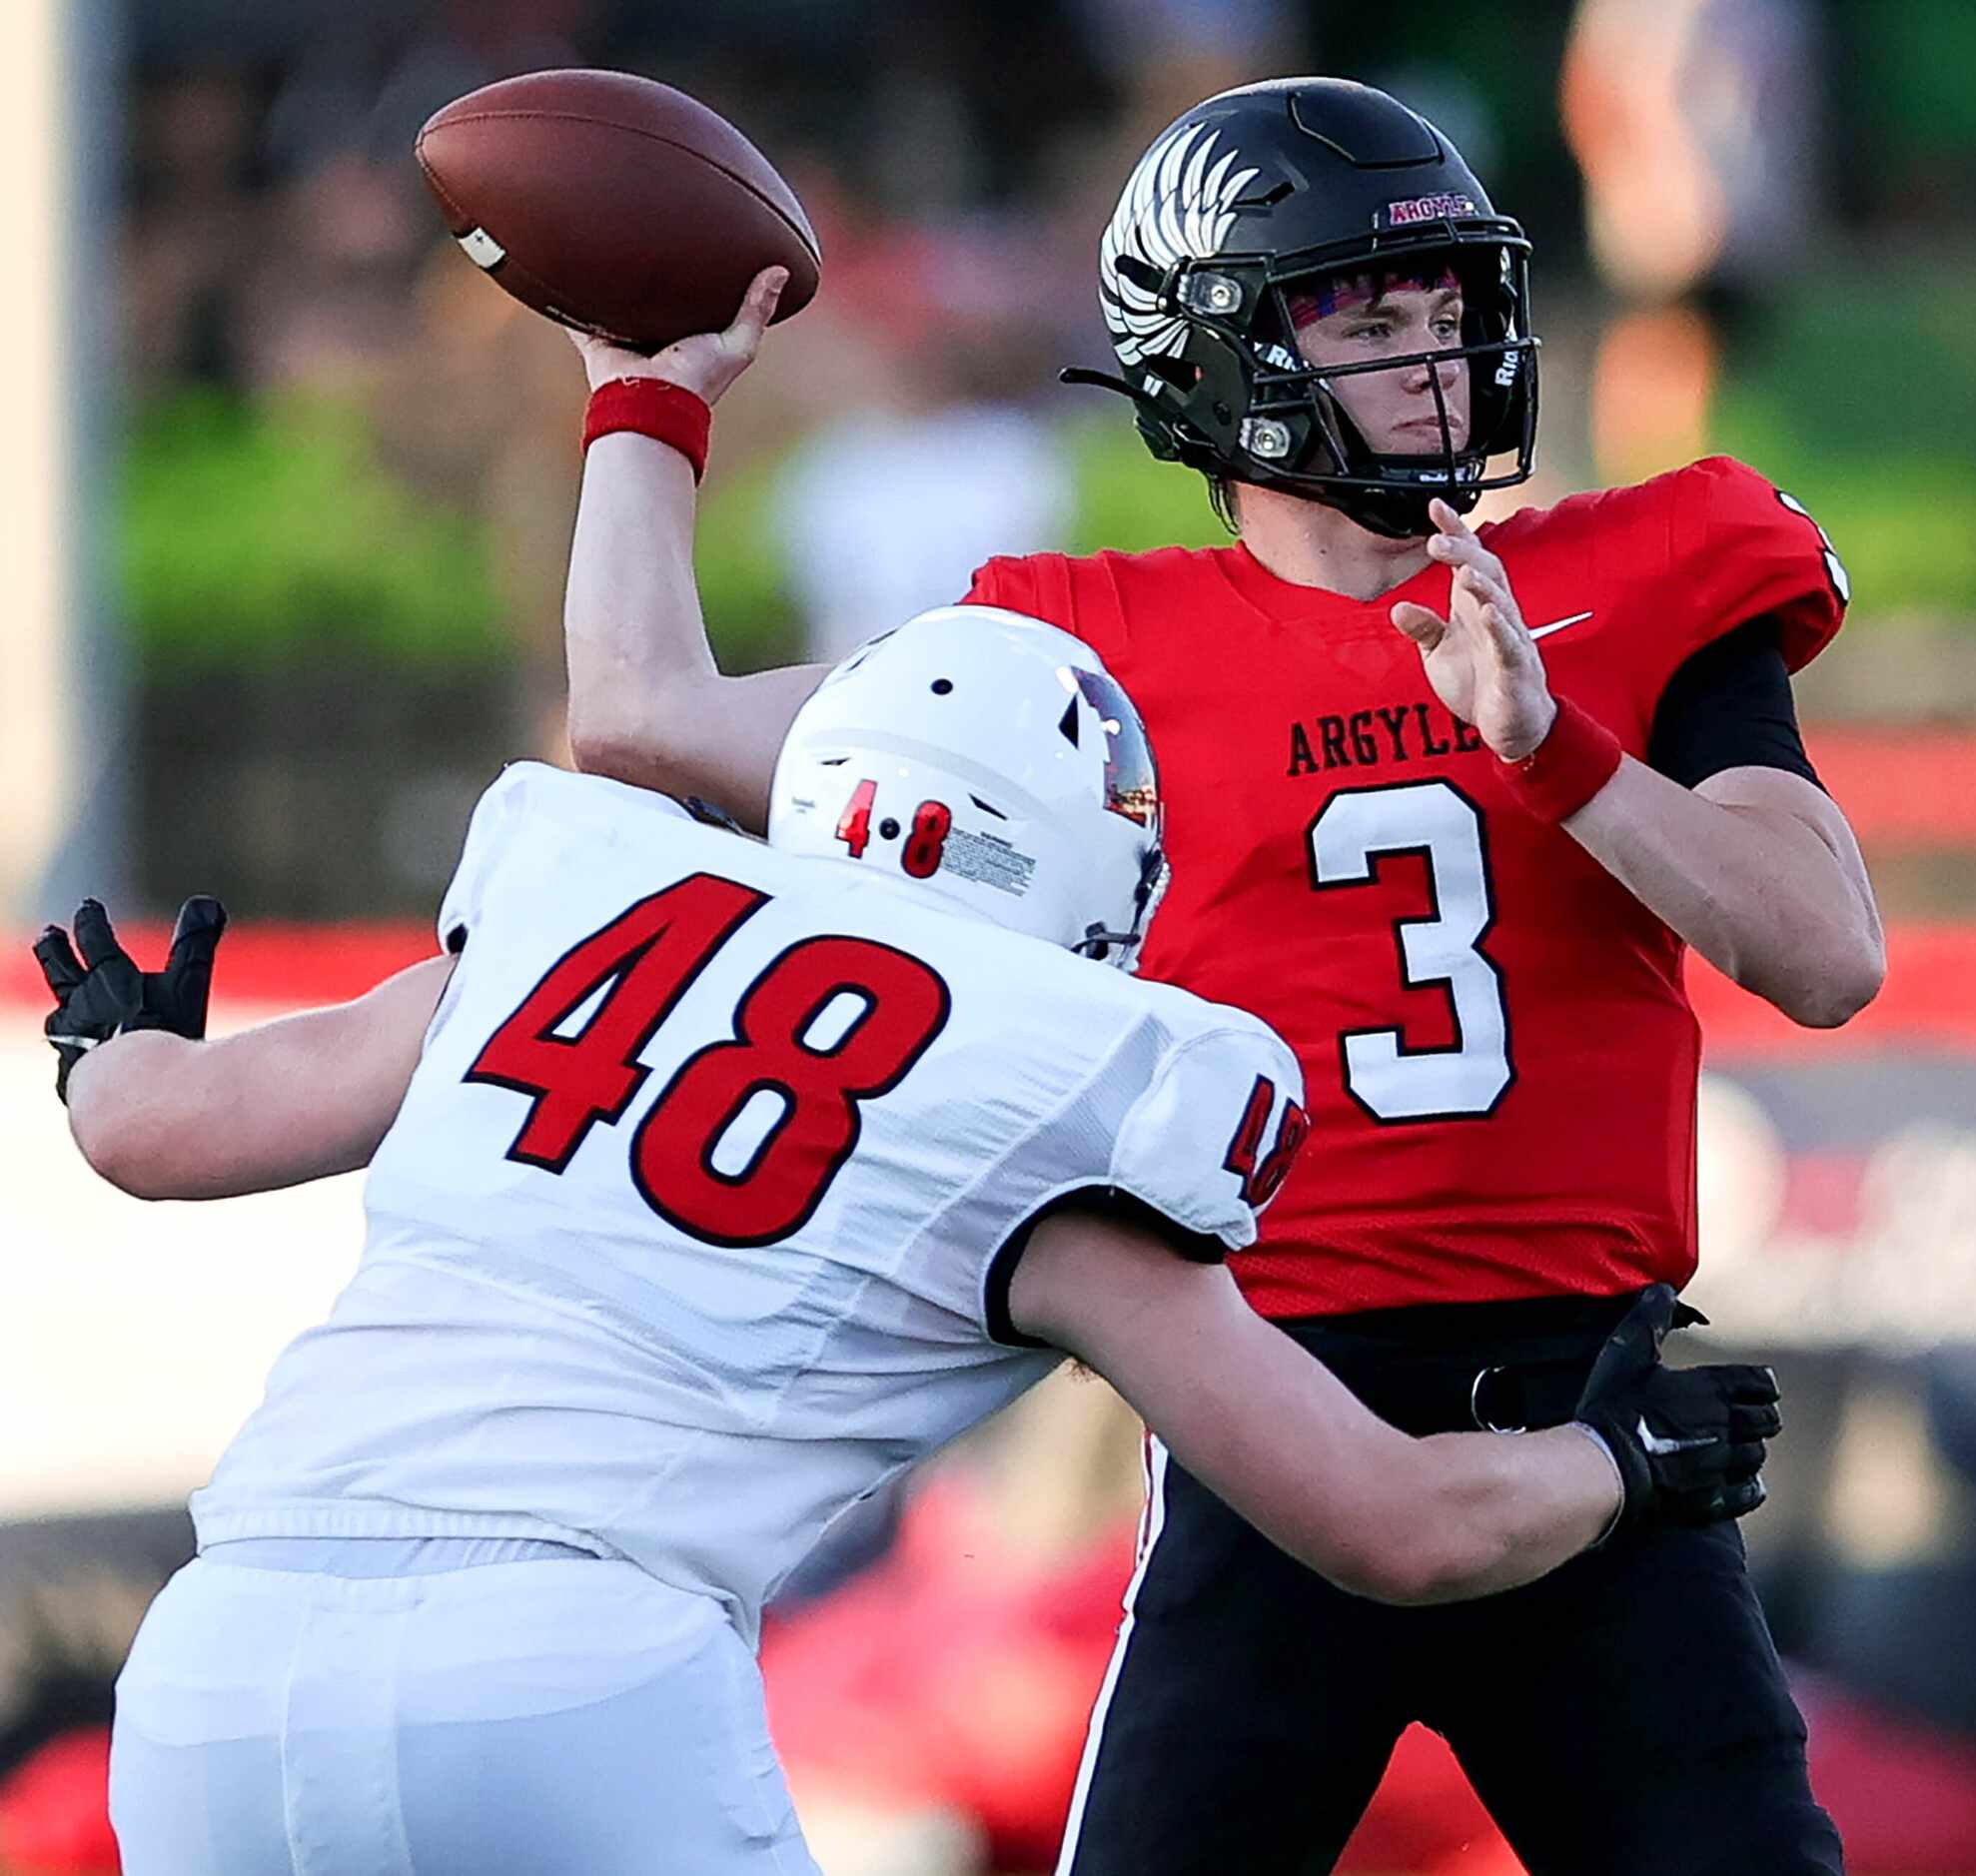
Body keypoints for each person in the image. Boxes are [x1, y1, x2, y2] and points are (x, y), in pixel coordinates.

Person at [554, 75, 1883, 1876]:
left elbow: (1818, 954)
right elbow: (644, 724)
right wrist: (646, 394)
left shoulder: (1635, 580)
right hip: (1270, 1427)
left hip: (1598, 1430)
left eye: (1445, 311)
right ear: (1221, 359)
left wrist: (1550, 742)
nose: (1432, 361)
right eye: (1367, 319)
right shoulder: (1079, 647)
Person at [36, 607, 1778, 1876]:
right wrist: (1614, 1461)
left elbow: (154, 1131)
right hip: (576, 1670)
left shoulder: (565, 917)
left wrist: (111, 1045)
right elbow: (1388, 1524)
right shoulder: (1059, 1091)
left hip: (218, 1663)